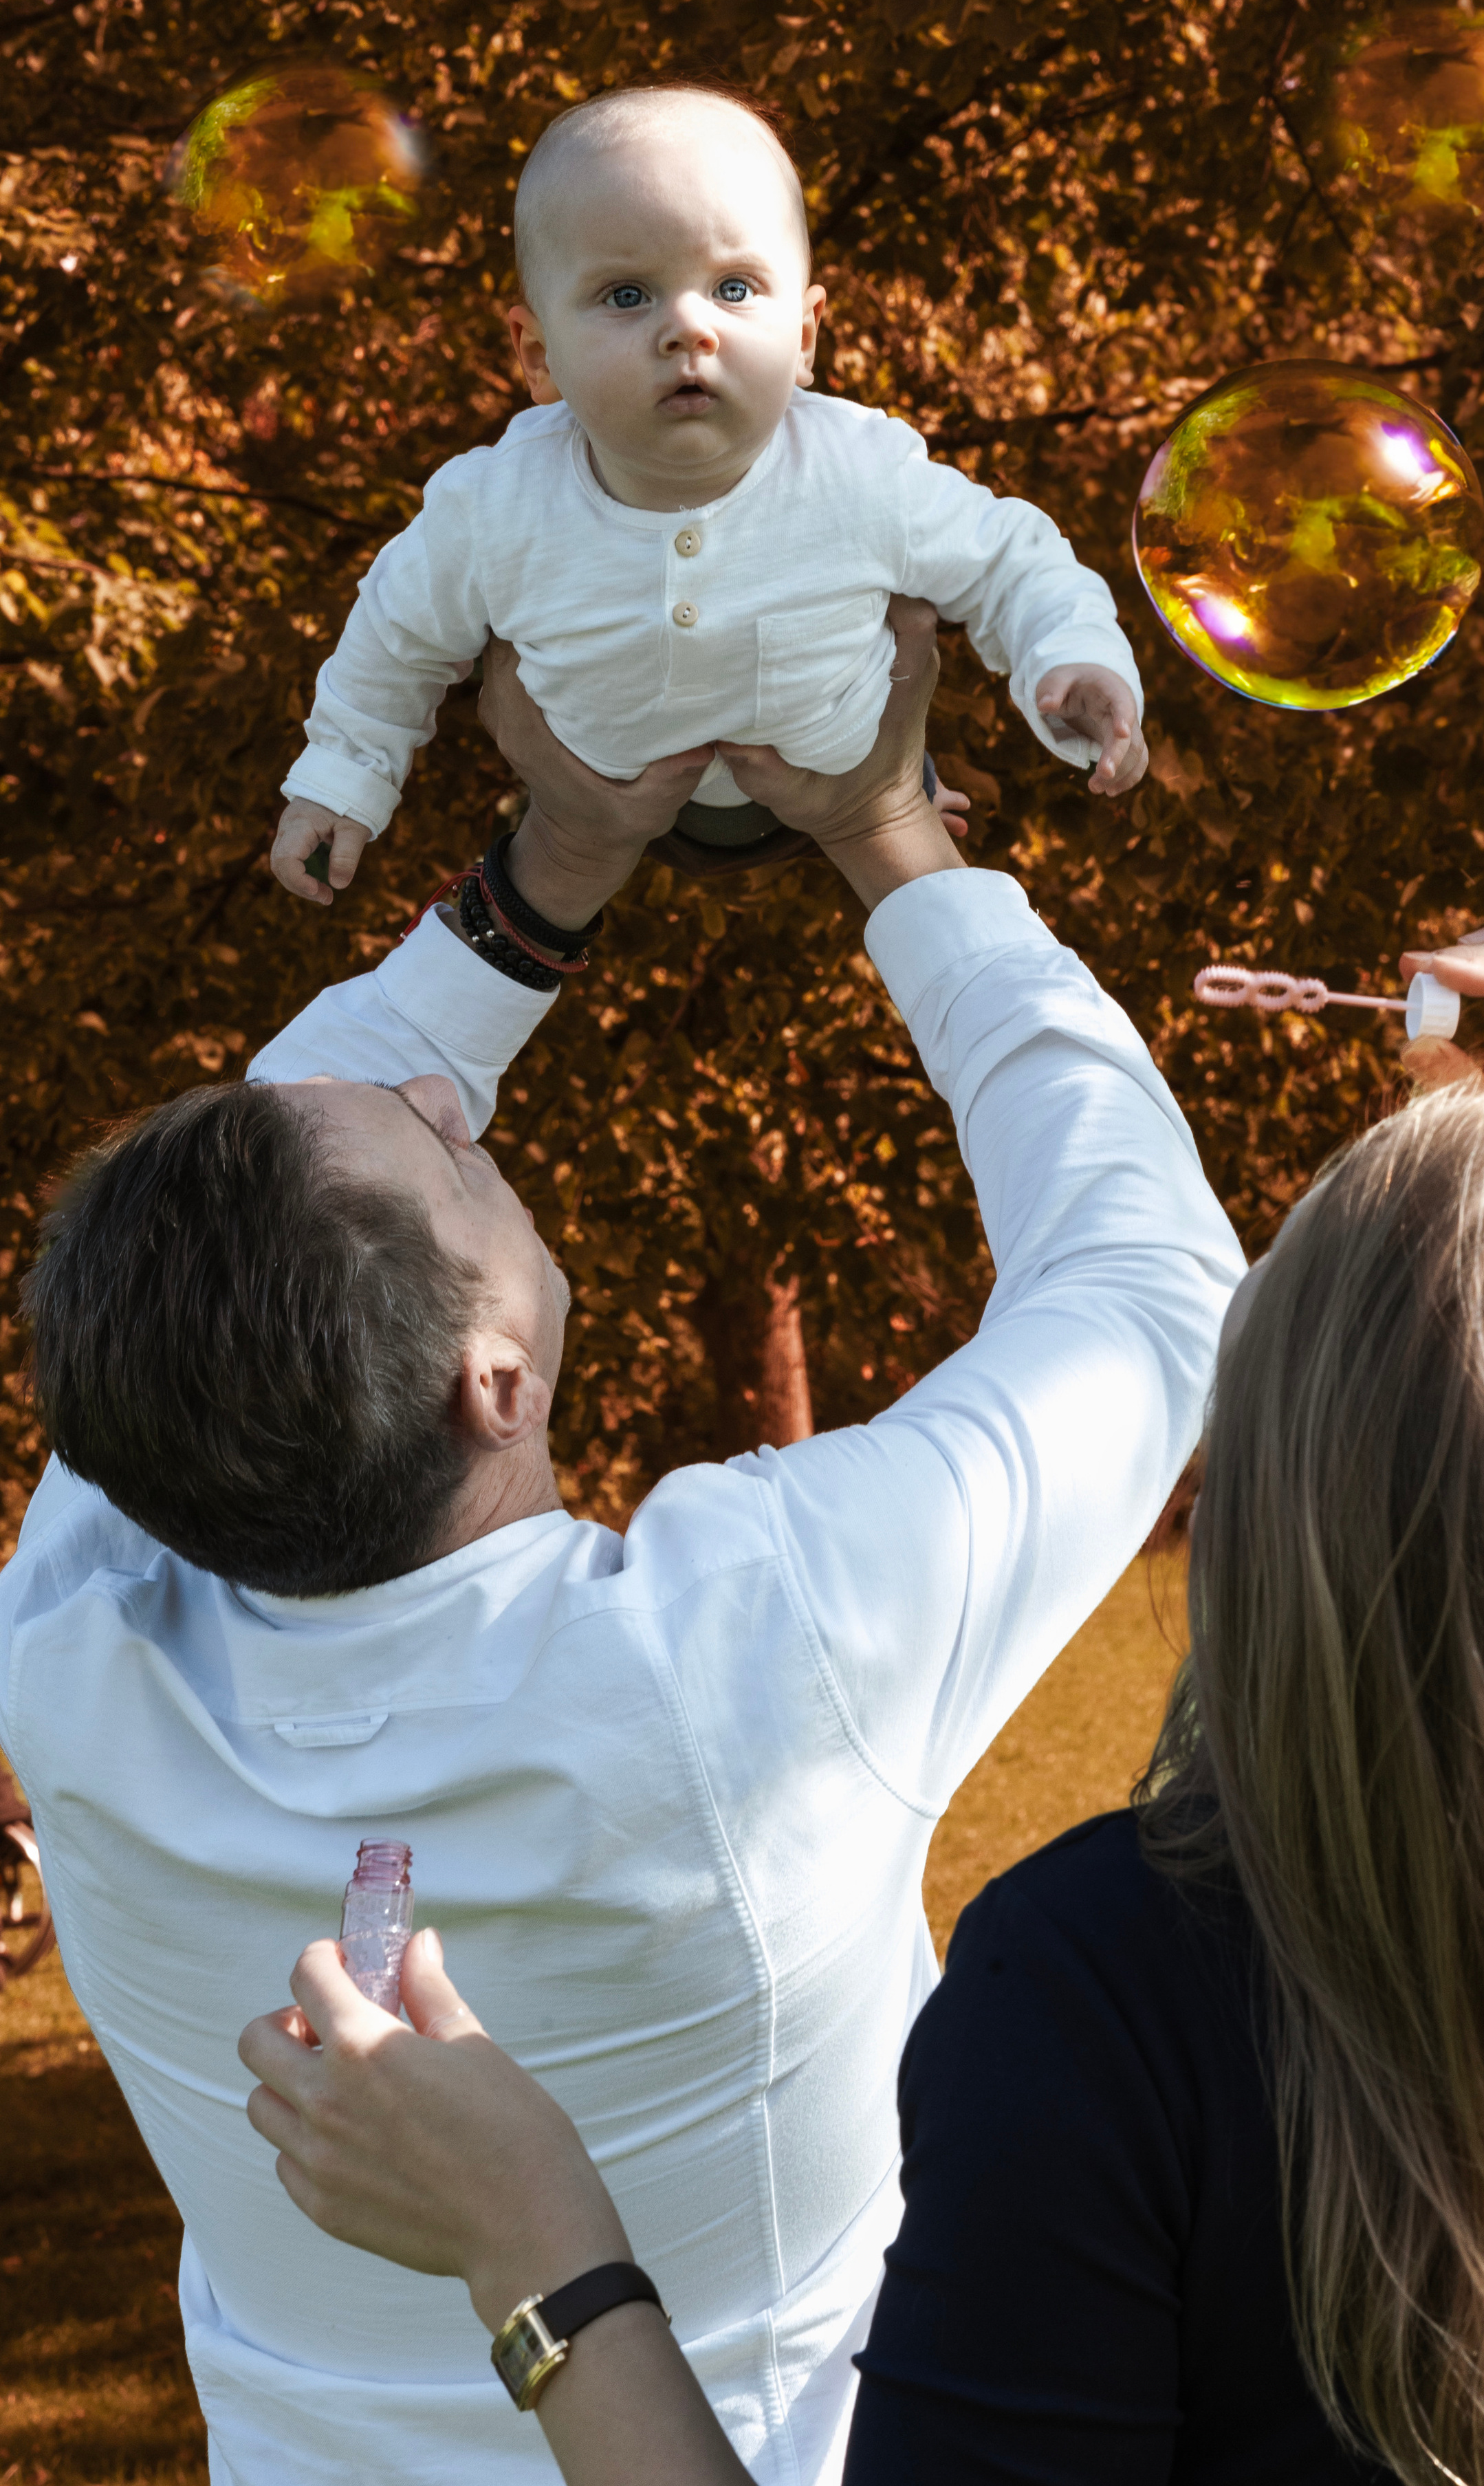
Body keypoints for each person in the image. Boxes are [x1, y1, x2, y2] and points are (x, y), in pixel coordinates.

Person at [243, 918, 1484, 2486]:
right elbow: (1142, 1282)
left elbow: (200, 1228)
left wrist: (536, 2248)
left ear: (1274, 1512)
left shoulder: (1106, 1995)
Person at [0, 601, 1241, 2486]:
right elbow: (1144, 1284)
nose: (447, 1094)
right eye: (442, 1151)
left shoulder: (73, 1633)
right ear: (493, 1380)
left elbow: (270, 1147)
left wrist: (555, 867)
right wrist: (894, 837)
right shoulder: (747, 1648)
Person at [270, 83, 1146, 904]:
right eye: (626, 294)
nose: (688, 327)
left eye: (733, 288)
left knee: (873, 747)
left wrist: (1070, 658)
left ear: (804, 336)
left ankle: (915, 789)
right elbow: (396, 639)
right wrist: (340, 782)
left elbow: (1010, 561)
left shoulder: (857, 469)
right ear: (538, 357)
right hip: (625, 805)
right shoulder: (494, 504)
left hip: (841, 764)